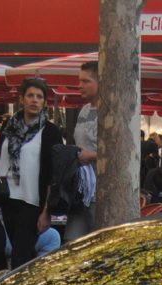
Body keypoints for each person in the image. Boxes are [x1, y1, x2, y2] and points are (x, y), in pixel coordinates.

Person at [0, 77, 63, 268]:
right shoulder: (8, 126)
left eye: (39, 97)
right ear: (22, 99)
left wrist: (47, 211)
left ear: (44, 102)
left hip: (32, 201)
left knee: (21, 254)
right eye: (30, 96)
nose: (34, 100)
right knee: (17, 252)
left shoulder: (50, 131)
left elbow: (53, 174)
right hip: (7, 197)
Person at [66, 60, 99, 242]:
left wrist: (92, 156)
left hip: (101, 192)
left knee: (96, 243)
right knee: (71, 243)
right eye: (80, 81)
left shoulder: (113, 112)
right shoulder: (84, 110)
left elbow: (123, 154)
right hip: (79, 190)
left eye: (86, 81)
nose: (80, 85)